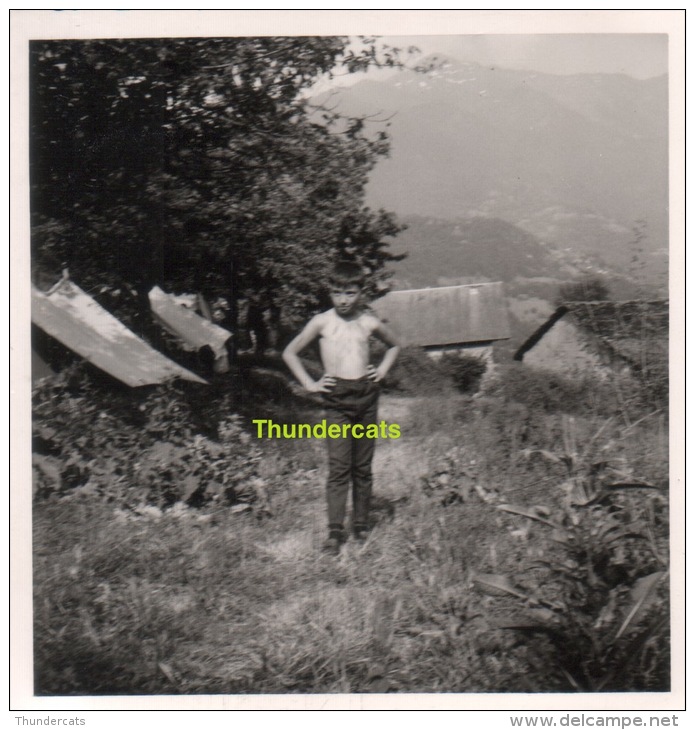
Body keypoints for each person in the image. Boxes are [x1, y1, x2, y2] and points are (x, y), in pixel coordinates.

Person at [282, 261, 401, 554]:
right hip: (336, 399)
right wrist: (310, 384)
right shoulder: (322, 322)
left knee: (362, 466)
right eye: (337, 292)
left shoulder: (368, 322)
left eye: (350, 292)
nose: (343, 299)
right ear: (329, 292)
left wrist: (383, 371)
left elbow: (396, 345)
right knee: (339, 467)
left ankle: (360, 524)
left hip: (366, 395)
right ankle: (335, 531)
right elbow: (290, 352)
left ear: (361, 292)